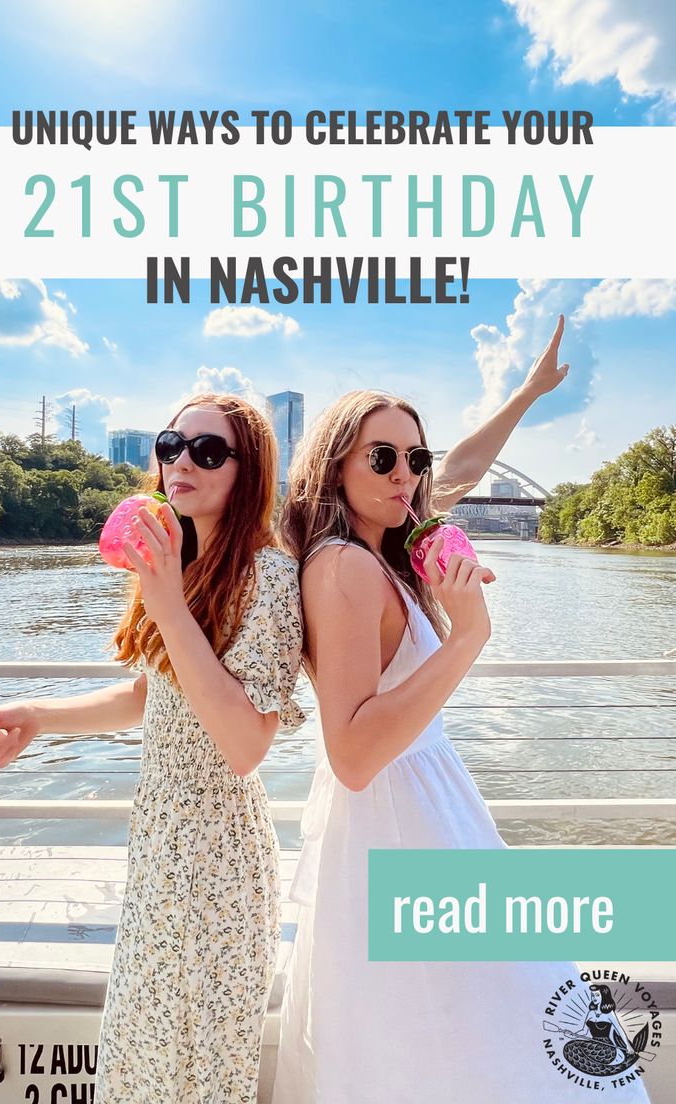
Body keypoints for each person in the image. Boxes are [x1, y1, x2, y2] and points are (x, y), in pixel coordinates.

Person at [272, 322, 650, 1102]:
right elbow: (350, 752)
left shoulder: (380, 542)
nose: (407, 474)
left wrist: (529, 392)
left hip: (421, 813)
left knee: (451, 1033)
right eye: (383, 458)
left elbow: (466, 467)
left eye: (415, 458)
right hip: (400, 824)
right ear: (334, 465)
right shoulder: (344, 567)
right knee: (484, 1028)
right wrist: (469, 634)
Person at [0, 393, 306, 1104]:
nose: (181, 462)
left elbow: (243, 744)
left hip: (220, 863)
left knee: (199, 1074)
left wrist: (168, 604)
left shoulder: (268, 577)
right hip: (158, 848)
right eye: (172, 443)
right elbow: (155, 698)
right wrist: (35, 714)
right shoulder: (183, 561)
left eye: (209, 452)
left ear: (249, 473)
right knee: (137, 1061)